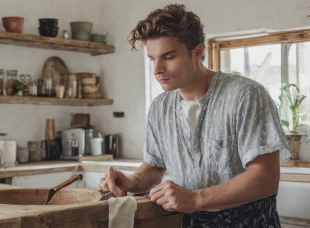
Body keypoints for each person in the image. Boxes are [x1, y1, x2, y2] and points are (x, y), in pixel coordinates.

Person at [100, 4, 291, 227]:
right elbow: (154, 166)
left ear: (198, 51)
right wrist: (132, 181)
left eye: (168, 56)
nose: (157, 70)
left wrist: (195, 198)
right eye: (152, 59)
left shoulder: (246, 95)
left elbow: (266, 179)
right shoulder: (159, 107)